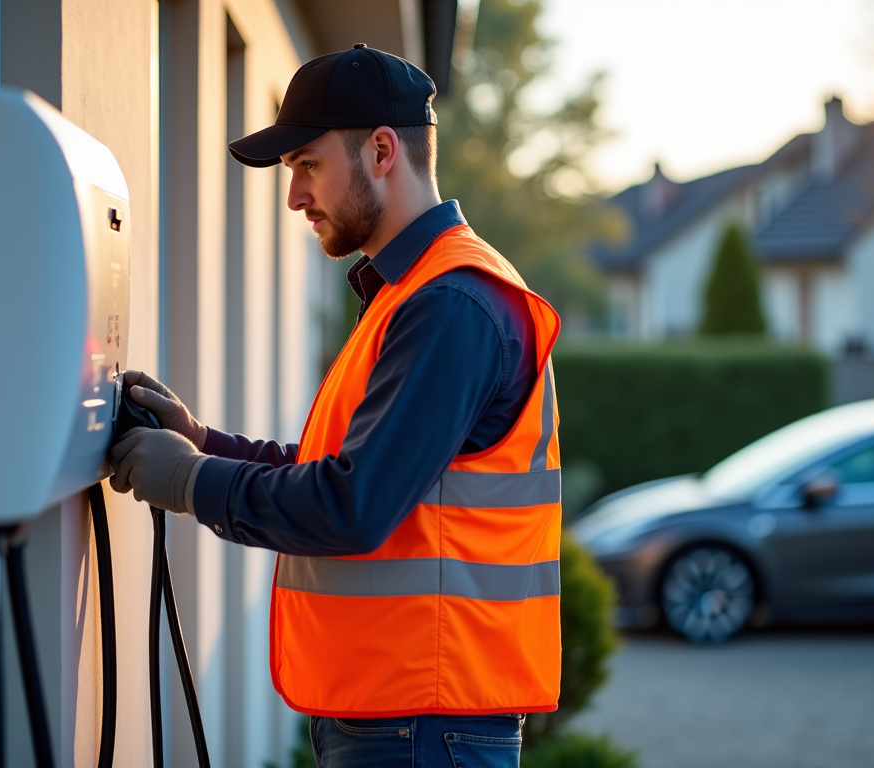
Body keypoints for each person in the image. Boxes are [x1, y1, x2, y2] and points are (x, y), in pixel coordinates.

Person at [109, 44, 562, 767]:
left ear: (383, 151)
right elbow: (337, 469)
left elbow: (352, 504)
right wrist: (200, 441)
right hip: (401, 716)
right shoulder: (412, 294)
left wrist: (190, 481)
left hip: (422, 727)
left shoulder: (450, 304)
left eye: (307, 166)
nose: (294, 198)